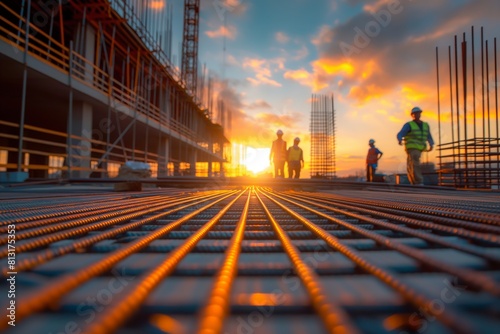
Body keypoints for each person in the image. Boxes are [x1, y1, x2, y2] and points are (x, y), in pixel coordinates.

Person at [397, 106, 434, 185]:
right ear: (412, 115)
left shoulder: (425, 125)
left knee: (411, 164)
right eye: (415, 113)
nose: (417, 115)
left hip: (420, 148)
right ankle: (418, 181)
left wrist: (431, 144)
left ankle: (413, 181)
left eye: (418, 113)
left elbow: (428, 135)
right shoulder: (409, 125)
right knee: (415, 162)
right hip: (411, 148)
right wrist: (399, 139)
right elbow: (401, 133)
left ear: (420, 114)